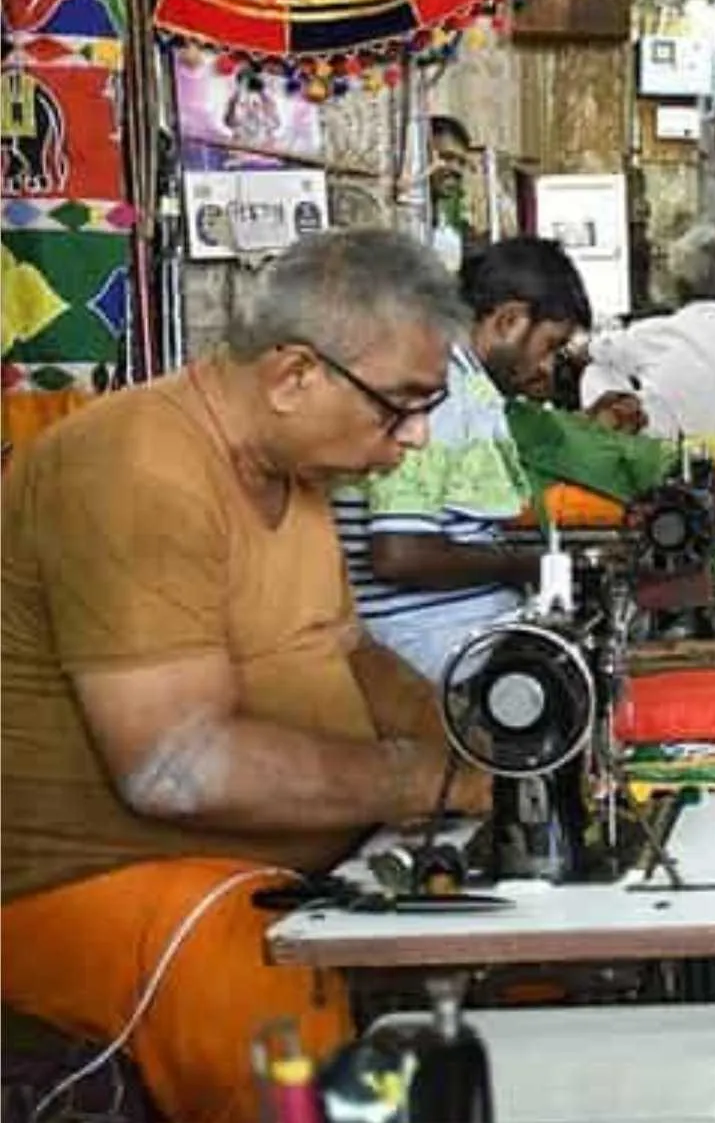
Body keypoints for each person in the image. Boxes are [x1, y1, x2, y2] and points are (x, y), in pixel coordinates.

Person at [0, 230, 492, 1123]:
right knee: (261, 984)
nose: (415, 437)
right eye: (401, 406)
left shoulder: (298, 474)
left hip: (258, 865)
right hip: (80, 887)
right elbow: (175, 766)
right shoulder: (137, 468)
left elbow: (350, 653)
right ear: (293, 374)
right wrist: (419, 778)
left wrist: (472, 748)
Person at [331, 237, 593, 680]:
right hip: (431, 651)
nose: (547, 367)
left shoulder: (466, 385)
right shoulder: (441, 389)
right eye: (548, 346)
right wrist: (527, 566)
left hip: (455, 634)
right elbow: (399, 553)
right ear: (509, 321)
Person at [581, 224, 715, 448]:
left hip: (667, 462)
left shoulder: (653, 333)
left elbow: (590, 350)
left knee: (598, 369)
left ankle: (614, 445)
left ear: (679, 284)